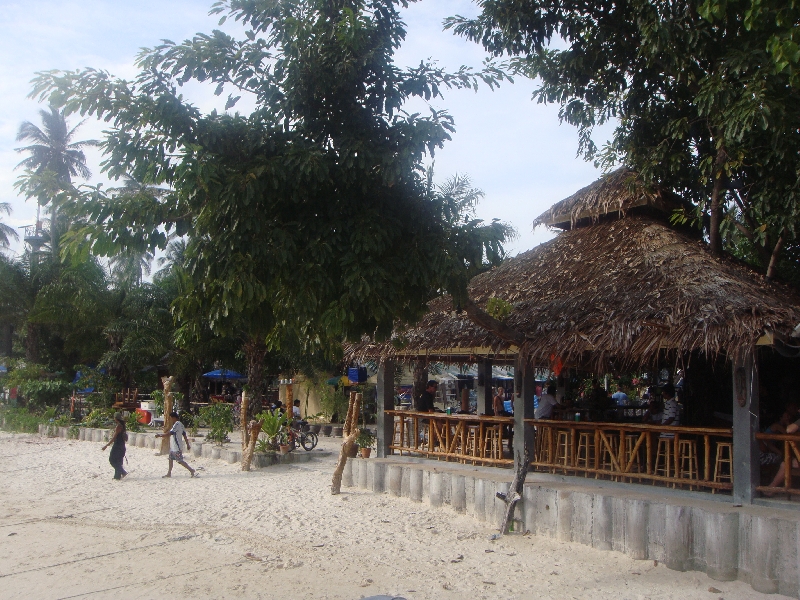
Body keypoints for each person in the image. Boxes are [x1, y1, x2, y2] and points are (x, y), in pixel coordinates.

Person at [156, 412, 198, 478]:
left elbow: (170, 433)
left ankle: (191, 470)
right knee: (170, 459)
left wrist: (160, 435)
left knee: (180, 461)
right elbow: (184, 435)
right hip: (173, 447)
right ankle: (169, 473)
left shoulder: (177, 424)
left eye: (171, 418)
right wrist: (187, 444)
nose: (170, 420)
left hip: (176, 447)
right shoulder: (181, 424)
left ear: (174, 418)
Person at [102, 412, 128, 480]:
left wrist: (106, 445)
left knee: (112, 460)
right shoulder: (123, 426)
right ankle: (117, 476)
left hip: (117, 446)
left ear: (115, 418)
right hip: (122, 446)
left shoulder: (118, 426)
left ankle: (123, 472)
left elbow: (114, 438)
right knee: (118, 461)